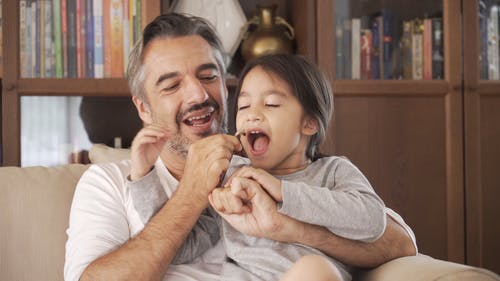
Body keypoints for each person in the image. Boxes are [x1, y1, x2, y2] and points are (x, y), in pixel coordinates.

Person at [64, 13, 417, 281]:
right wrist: (190, 188)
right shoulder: (108, 183)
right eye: (171, 85)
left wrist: (287, 227)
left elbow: (399, 244)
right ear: (143, 107)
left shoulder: (259, 172)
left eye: (208, 76)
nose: (199, 95)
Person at [207, 53, 385, 281]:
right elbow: (186, 244)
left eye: (271, 103)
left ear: (309, 122)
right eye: (243, 106)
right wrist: (145, 174)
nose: (252, 115)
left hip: (311, 276)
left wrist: (282, 191)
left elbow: (373, 220)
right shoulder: (232, 176)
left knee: (314, 270)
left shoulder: (333, 171)